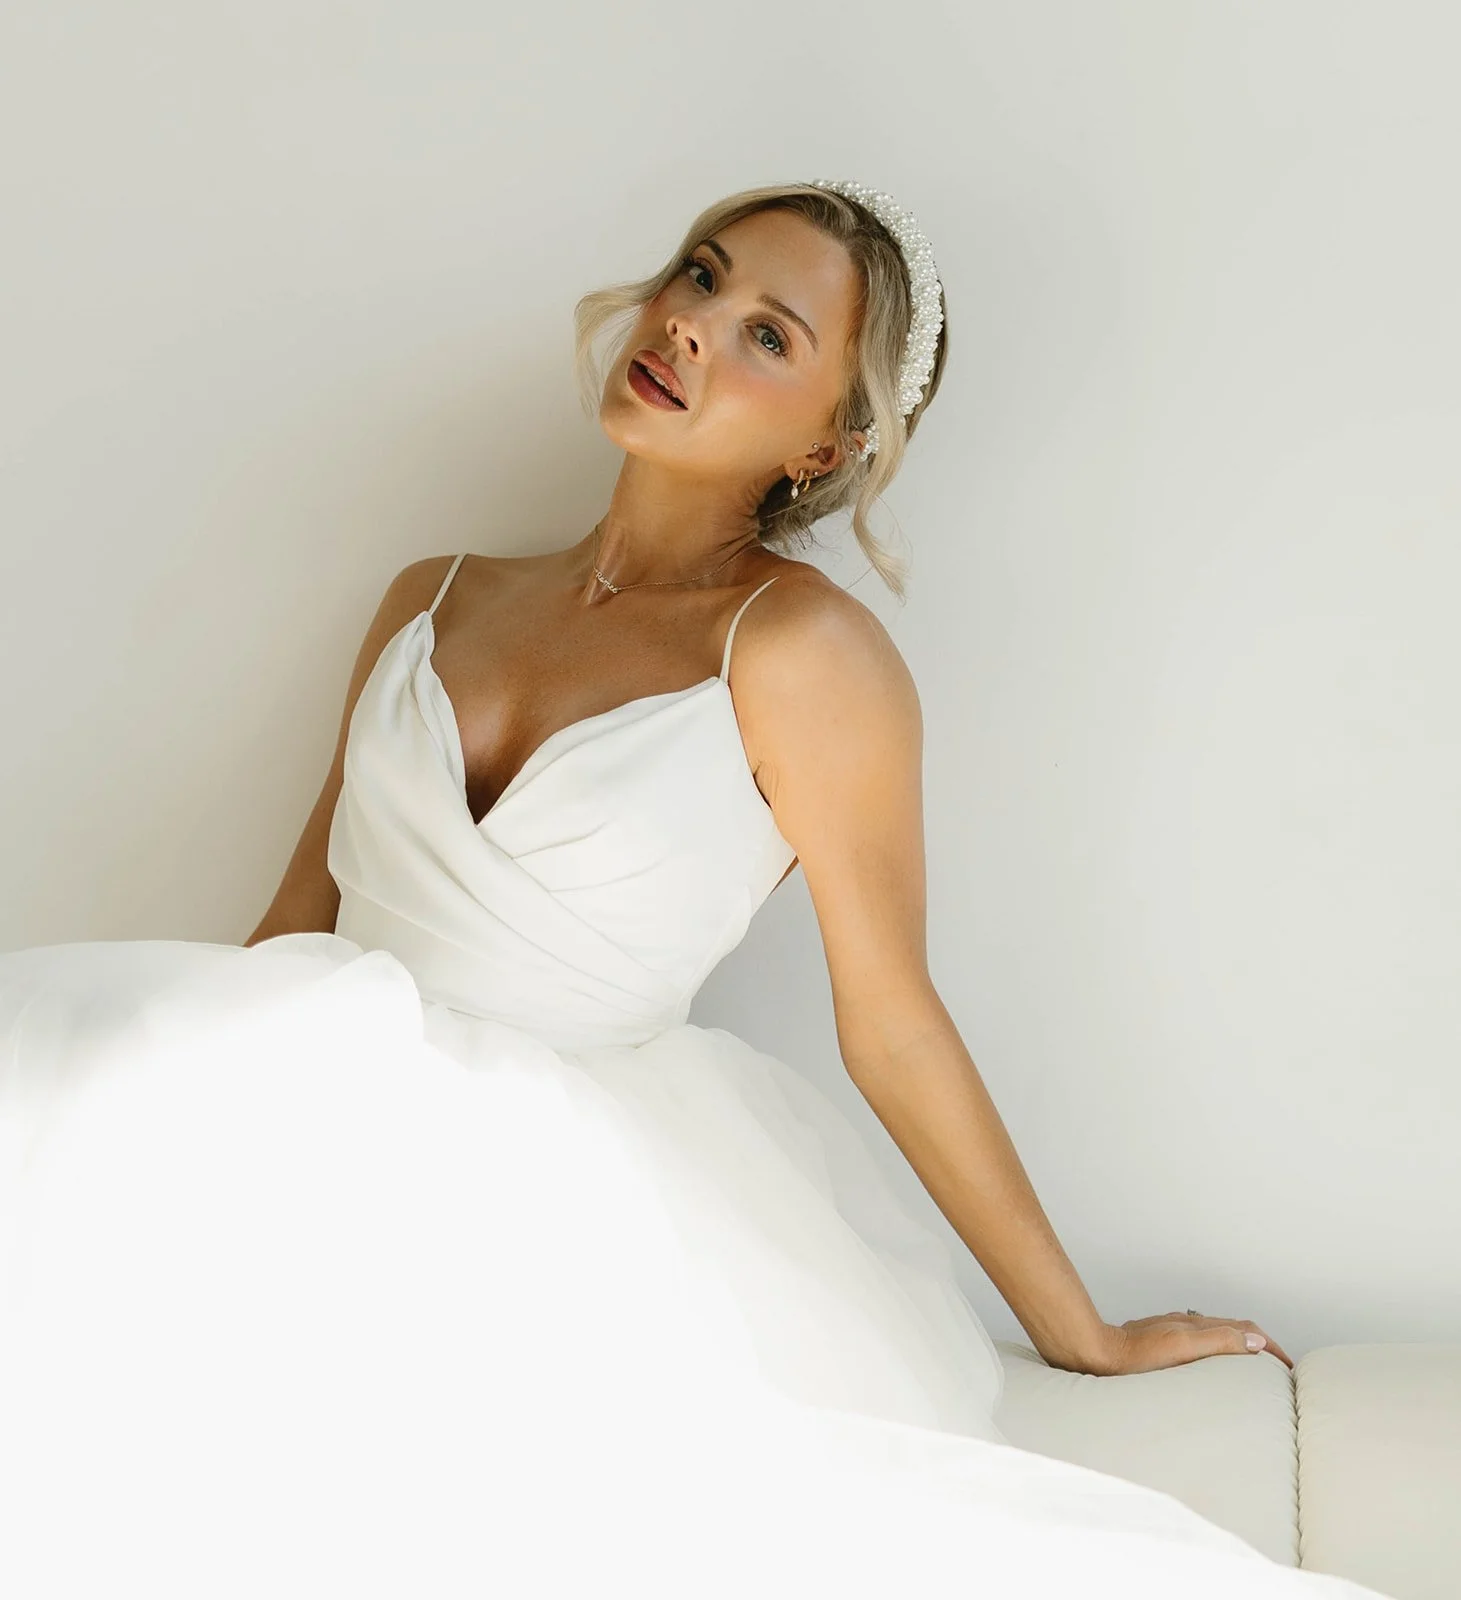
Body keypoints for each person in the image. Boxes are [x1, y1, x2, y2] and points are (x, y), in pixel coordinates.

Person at [0, 181, 1388, 1598]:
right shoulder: (430, 592)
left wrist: (1079, 1329)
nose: (690, 326)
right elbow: (298, 919)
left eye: (769, 334)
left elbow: (893, 1020)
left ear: (831, 444)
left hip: (540, 1189)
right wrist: (155, 1105)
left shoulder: (801, 658)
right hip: (299, 1105)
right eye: (700, 278)